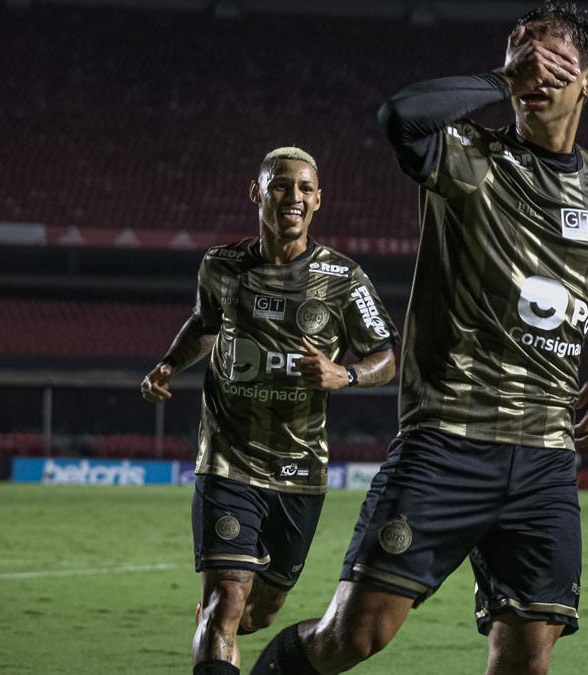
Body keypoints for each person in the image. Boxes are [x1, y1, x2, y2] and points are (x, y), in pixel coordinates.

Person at [250, 4, 588, 674]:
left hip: (545, 456)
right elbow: (399, 117)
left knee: (527, 657)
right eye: (524, 54)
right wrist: (500, 76)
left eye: (551, 58)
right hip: (449, 440)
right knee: (355, 635)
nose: (535, 68)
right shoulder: (469, 158)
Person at [140, 147, 397, 675]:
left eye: (304, 188)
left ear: (319, 200)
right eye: (281, 186)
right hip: (228, 459)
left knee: (262, 609)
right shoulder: (221, 265)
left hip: (299, 469)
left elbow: (387, 355)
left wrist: (344, 374)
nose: (293, 197)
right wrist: (169, 364)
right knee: (227, 604)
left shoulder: (343, 278)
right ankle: (217, 620)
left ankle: (223, 622)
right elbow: (203, 324)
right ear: (257, 193)